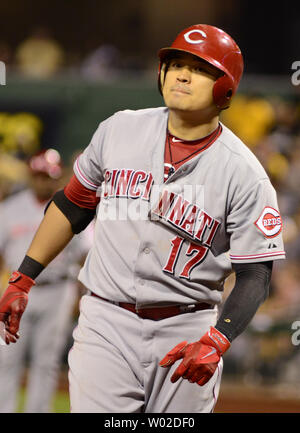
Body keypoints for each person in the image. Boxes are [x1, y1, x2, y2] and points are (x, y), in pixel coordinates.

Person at [0, 24, 285, 413]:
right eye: (175, 63)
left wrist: (219, 339)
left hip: (186, 328)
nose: (182, 74)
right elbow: (72, 205)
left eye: (200, 69)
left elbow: (256, 275)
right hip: (105, 321)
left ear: (226, 88)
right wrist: (23, 278)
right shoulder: (120, 129)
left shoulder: (244, 174)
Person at [0, 149, 91, 413]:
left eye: (47, 176)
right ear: (30, 176)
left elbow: (85, 255)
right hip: (16, 289)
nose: (42, 182)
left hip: (58, 290)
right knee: (6, 358)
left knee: (46, 361)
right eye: (38, 176)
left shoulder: (70, 206)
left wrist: (79, 294)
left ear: (57, 176)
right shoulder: (9, 209)